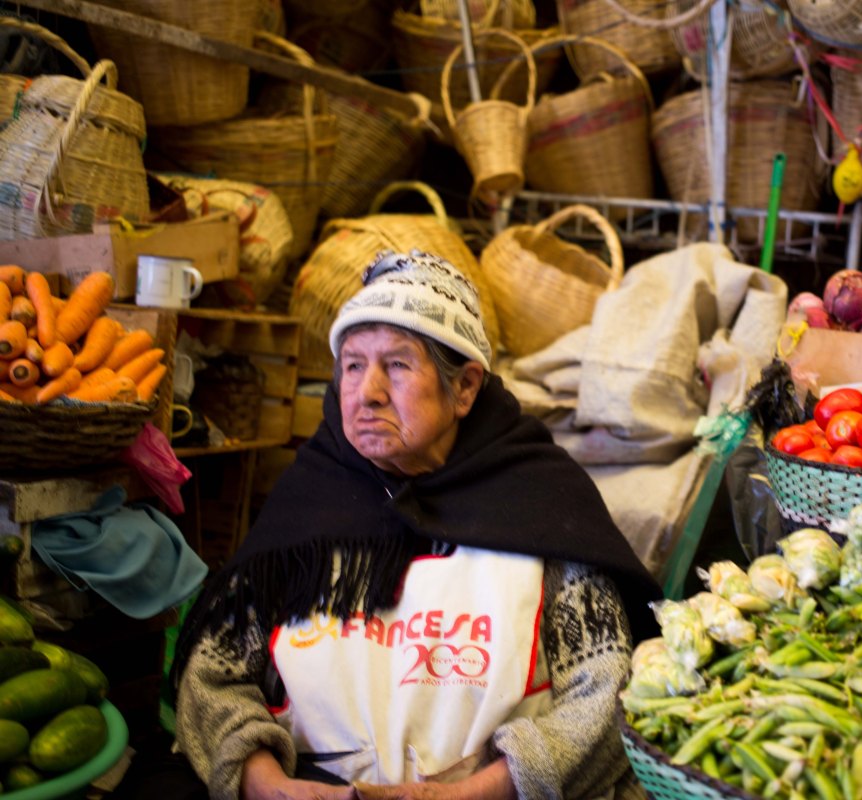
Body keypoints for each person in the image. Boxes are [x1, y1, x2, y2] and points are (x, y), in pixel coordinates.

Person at [161, 249, 662, 800]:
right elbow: (213, 678)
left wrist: (483, 791)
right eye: (353, 366)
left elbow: (604, 691)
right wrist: (269, 786)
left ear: (465, 388)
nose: (367, 393)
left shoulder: (539, 500)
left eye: (397, 365)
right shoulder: (312, 498)